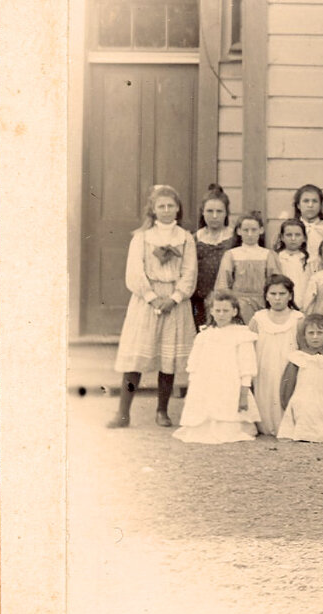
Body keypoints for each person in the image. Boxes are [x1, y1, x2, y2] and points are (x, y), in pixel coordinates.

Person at [110, 184, 196, 428]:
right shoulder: (142, 237)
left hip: (175, 302)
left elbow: (190, 272)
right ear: (153, 209)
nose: (166, 210)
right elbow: (134, 271)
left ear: (178, 209)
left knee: (168, 359)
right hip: (146, 301)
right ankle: (123, 413)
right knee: (136, 358)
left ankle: (162, 411)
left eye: (171, 206)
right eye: (161, 206)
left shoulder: (186, 238)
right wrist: (151, 297)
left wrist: (175, 298)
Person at [173, 290, 260, 443]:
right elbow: (194, 364)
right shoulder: (204, 335)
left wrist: (243, 394)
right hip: (206, 382)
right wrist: (192, 389)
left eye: (226, 311)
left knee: (227, 421)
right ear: (211, 311)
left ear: (234, 312)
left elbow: (247, 366)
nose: (221, 314)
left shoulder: (241, 334)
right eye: (217, 310)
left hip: (229, 382)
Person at [277, 313, 323, 442]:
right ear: (304, 336)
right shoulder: (299, 357)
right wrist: (287, 403)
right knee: (306, 410)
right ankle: (306, 434)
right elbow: (288, 383)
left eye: (320, 333)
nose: (315, 337)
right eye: (311, 333)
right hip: (305, 399)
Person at [248, 274, 301, 437]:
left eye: (282, 294)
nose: (277, 298)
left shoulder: (297, 318)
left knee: (285, 392)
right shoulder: (259, 318)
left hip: (288, 366)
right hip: (264, 365)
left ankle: (286, 426)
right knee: (266, 393)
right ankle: (265, 425)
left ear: (290, 296)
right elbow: (249, 346)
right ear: (266, 296)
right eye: (273, 294)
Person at [190, 184, 237, 328]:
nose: (214, 216)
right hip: (199, 300)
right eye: (210, 211)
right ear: (202, 212)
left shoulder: (235, 238)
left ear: (226, 213)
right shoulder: (194, 239)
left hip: (227, 301)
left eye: (219, 211)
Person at [214, 210, 271, 321]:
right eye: (246, 230)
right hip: (238, 305)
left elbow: (275, 283)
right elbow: (223, 284)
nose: (250, 234)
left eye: (254, 230)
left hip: (263, 304)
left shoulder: (268, 255)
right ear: (239, 231)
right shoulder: (231, 255)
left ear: (261, 230)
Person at [270, 218, 312, 306]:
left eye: (297, 235)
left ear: (304, 238)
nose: (293, 238)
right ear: (282, 237)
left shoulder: (310, 260)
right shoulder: (276, 258)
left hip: (305, 303)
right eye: (289, 235)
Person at [291, 183, 323, 263]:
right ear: (298, 205)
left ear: (320, 205)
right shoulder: (290, 228)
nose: (310, 205)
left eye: (315, 201)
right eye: (306, 201)